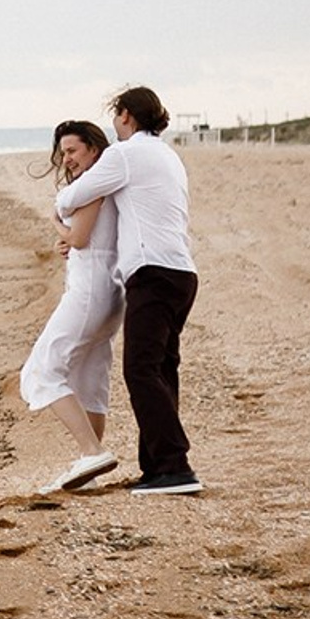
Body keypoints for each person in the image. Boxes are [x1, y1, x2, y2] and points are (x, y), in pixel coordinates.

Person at [51, 84, 201, 496]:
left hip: (152, 273)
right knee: (162, 369)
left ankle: (175, 468)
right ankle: (157, 467)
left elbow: (74, 195)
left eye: (116, 116)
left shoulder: (126, 154)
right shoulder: (168, 156)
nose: (114, 125)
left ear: (126, 116)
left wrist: (60, 218)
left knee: (141, 369)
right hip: (182, 273)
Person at [24, 120, 122, 491]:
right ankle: (90, 468)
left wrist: (56, 224)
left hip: (90, 292)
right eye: (63, 152)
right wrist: (69, 241)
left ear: (94, 149)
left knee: (41, 371)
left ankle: (91, 451)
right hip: (112, 292)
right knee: (90, 375)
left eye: (72, 151)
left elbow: (79, 238)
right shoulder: (109, 186)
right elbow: (88, 239)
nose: (66, 159)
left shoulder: (92, 186)